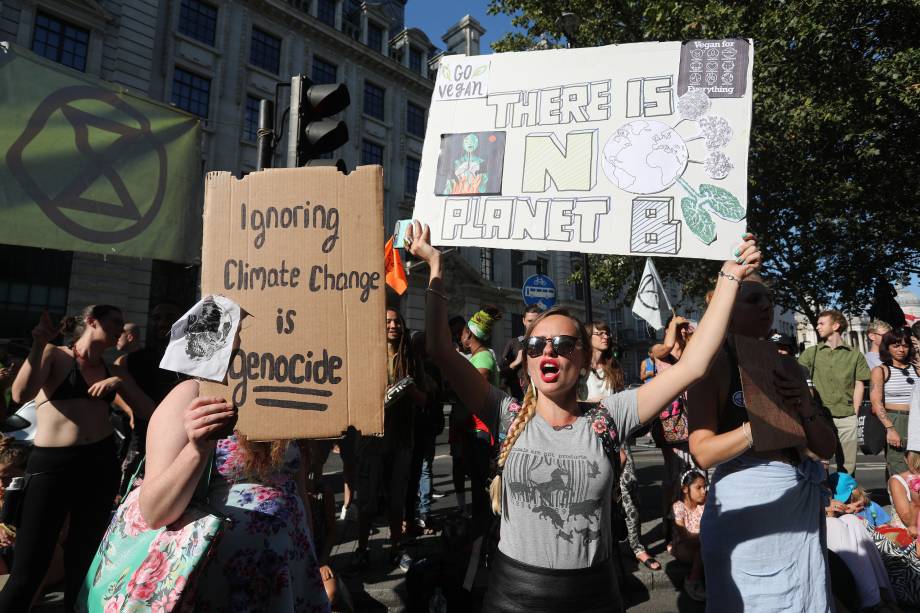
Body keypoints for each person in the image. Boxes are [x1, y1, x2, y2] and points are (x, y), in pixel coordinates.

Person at [406, 220, 762, 612]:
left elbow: (692, 366)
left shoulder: (608, 418)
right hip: (513, 597)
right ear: (527, 355)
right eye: (537, 344)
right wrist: (435, 267)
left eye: (562, 343)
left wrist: (729, 278)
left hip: (593, 596)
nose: (548, 352)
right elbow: (440, 349)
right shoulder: (504, 413)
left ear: (583, 357)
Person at [687, 276, 838, 611]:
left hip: (796, 502)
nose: (766, 306)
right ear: (725, 306)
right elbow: (702, 452)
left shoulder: (788, 366)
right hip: (747, 509)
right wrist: (756, 426)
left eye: (769, 298)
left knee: (803, 597)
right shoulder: (708, 366)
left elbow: (825, 449)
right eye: (753, 299)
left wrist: (806, 406)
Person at [0, 306, 152, 611]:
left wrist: (119, 385)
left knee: (83, 563)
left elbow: (149, 411)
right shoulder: (56, 355)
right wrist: (39, 344)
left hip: (99, 464)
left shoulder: (115, 370)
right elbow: (20, 394)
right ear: (91, 321)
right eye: (115, 322)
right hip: (52, 466)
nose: (121, 329)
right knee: (31, 564)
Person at [138, 379, 330, 611]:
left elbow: (295, 488)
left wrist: (312, 560)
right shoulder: (191, 393)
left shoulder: (284, 384)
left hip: (290, 573)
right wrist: (197, 449)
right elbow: (154, 512)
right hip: (224, 583)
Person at [579, 320, 658, 571]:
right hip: (590, 436)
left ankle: (637, 546)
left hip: (617, 435)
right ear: (588, 337)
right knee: (595, 496)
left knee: (630, 489)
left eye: (606, 332)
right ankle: (599, 549)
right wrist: (598, 401)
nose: (605, 336)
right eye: (599, 333)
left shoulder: (613, 367)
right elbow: (576, 401)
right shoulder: (580, 368)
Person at [353, 308, 425, 570]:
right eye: (388, 321)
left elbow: (425, 399)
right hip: (370, 438)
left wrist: (409, 389)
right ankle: (361, 549)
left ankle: (396, 548)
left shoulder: (411, 358)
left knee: (397, 500)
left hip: (402, 439)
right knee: (368, 501)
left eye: (397, 321)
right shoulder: (366, 355)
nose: (393, 325)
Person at [798, 309, 871, 475]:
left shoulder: (855, 355)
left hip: (847, 416)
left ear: (836, 326)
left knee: (847, 468)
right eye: (817, 324)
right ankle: (822, 499)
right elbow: (800, 380)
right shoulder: (811, 353)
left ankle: (844, 499)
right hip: (820, 418)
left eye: (822, 323)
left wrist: (855, 411)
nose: (817, 327)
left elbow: (860, 384)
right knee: (817, 465)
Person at [650, 314, 696, 543]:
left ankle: (693, 521)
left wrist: (692, 334)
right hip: (671, 421)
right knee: (673, 475)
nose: (681, 329)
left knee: (695, 475)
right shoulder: (660, 349)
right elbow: (666, 347)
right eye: (676, 325)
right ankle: (669, 523)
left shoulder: (691, 350)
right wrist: (675, 326)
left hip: (694, 419)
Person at [871, 328, 918, 477]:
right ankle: (899, 498)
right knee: (898, 465)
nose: (901, 349)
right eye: (896, 346)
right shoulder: (881, 370)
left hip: (916, 418)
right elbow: (876, 402)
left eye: (905, 346)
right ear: (887, 347)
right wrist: (890, 428)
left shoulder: (916, 369)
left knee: (917, 464)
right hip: (896, 419)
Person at [672, 470, 707, 602]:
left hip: (701, 542)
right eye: (699, 487)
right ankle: (693, 581)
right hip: (683, 546)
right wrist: (705, 536)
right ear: (685, 489)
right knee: (701, 551)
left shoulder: (704, 504)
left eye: (705, 487)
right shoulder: (679, 507)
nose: (704, 491)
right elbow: (684, 536)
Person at [500, 306, 542, 400]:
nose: (533, 324)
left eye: (536, 321)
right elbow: (501, 375)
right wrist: (515, 363)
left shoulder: (548, 344)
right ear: (523, 321)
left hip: (543, 400)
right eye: (530, 321)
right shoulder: (514, 344)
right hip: (520, 402)